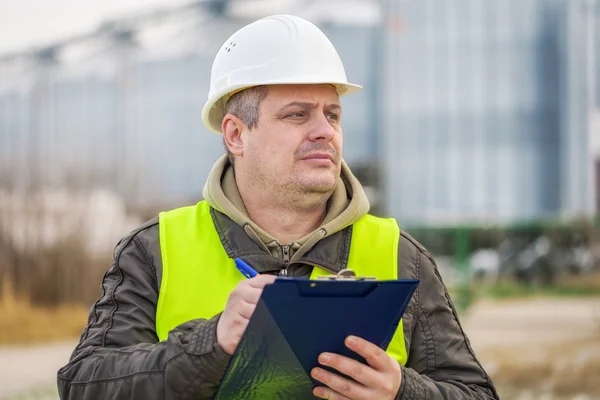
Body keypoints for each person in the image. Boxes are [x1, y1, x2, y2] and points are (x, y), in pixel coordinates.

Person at [57, 14, 498, 400]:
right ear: (235, 135)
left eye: (332, 114)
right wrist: (210, 344)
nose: (324, 131)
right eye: (297, 115)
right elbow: (83, 385)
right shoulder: (155, 250)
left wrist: (402, 391)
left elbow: (474, 393)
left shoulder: (400, 256)